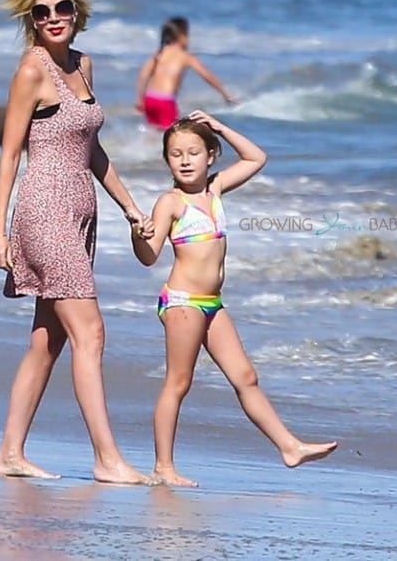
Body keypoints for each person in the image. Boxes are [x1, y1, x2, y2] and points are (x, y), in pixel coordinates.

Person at [0, 0, 154, 484]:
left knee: (48, 340)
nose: (54, 19)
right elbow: (10, 153)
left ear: (77, 14)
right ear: (31, 21)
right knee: (92, 332)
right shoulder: (31, 72)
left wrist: (130, 206)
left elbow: (91, 148)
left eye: (62, 9)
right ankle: (107, 459)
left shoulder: (83, 65)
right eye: (42, 12)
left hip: (82, 213)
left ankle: (9, 454)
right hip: (44, 212)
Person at [131, 112, 337, 487]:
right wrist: (138, 234)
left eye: (194, 152)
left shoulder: (215, 190)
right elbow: (148, 257)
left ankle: (290, 447)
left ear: (211, 155)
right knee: (178, 382)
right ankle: (163, 466)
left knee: (246, 377)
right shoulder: (171, 203)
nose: (185, 160)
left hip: (212, 303)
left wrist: (221, 128)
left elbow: (257, 158)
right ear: (167, 161)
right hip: (183, 302)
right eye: (175, 154)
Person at [134, 17, 239, 131]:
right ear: (182, 36)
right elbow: (207, 76)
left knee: (153, 132)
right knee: (173, 133)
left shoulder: (159, 54)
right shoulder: (185, 57)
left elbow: (143, 75)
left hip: (150, 99)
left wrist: (140, 99)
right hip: (165, 101)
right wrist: (226, 94)